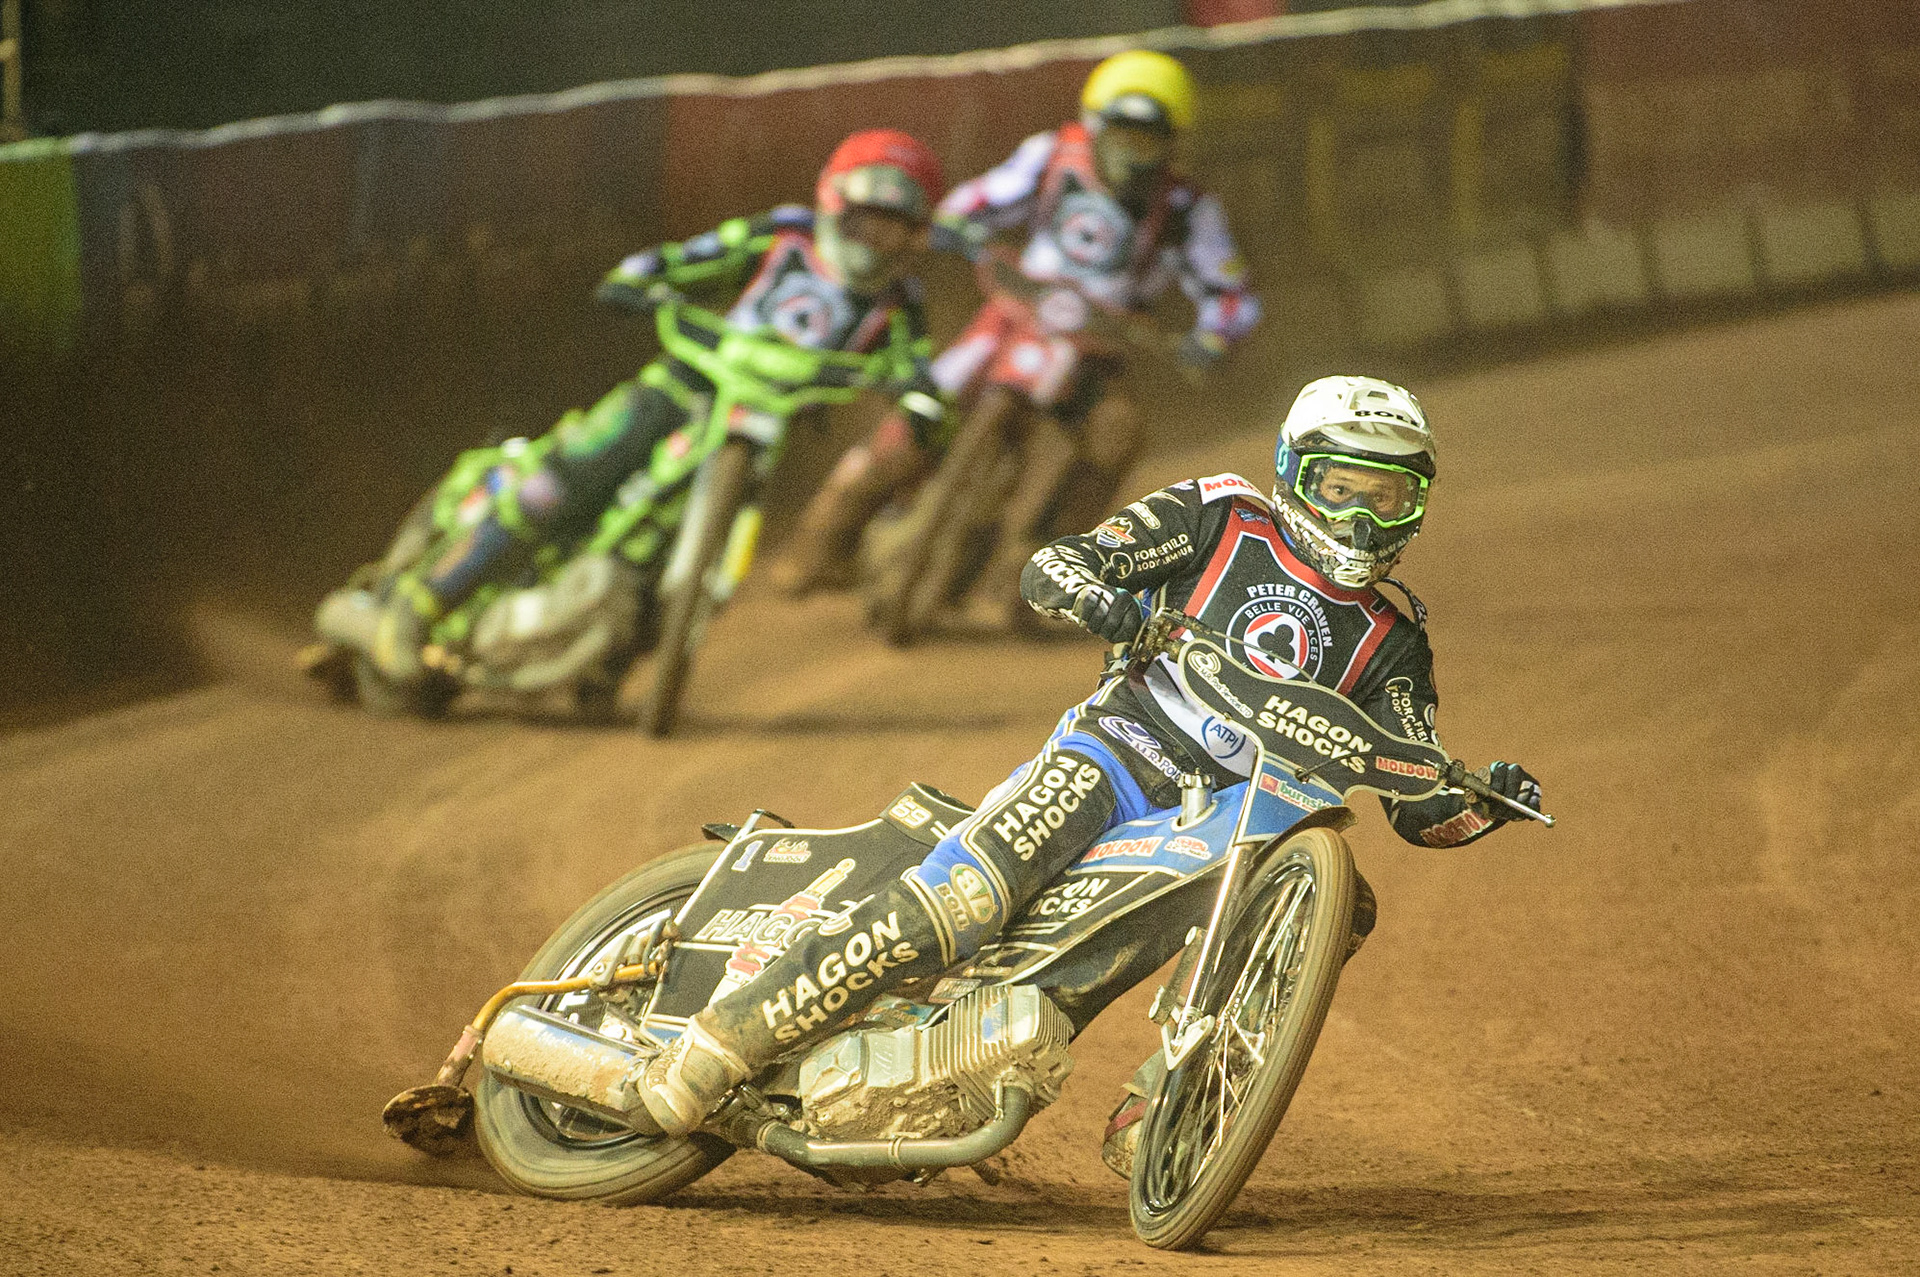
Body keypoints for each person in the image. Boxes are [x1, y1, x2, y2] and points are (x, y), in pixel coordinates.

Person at [634, 375, 1545, 1170]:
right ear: (1292, 472)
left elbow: (1416, 799)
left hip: (1232, 821)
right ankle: (728, 1036)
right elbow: (1057, 564)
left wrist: (1481, 803)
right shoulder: (1222, 513)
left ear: (1418, 505)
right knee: (967, 902)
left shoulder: (1396, 639)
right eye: (1339, 488)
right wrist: (1108, 604)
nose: (1358, 518)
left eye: (1388, 498)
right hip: (1119, 750)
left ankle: (1167, 1105)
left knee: (1340, 902)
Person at [368, 129, 950, 684]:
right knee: (565, 478)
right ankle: (418, 605)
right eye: (866, 222)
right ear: (834, 204)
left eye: (893, 231)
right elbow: (687, 258)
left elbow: (916, 364)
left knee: (674, 541)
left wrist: (922, 401)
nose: (874, 242)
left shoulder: (899, 303)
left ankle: (613, 654)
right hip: (681, 386)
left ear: (915, 238)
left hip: (764, 425)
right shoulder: (778, 238)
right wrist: (641, 277)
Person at [771, 49, 1261, 603]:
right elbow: (980, 199)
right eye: (1121, 133)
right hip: (1013, 315)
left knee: (1117, 432)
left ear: (1173, 143)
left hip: (1096, 345)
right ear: (1094, 125)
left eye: (1147, 139)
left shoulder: (1189, 208)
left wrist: (1214, 337)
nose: (1131, 152)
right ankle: (825, 536)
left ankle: (1047, 570)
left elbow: (1231, 294)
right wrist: (956, 225)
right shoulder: (1052, 155)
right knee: (925, 402)